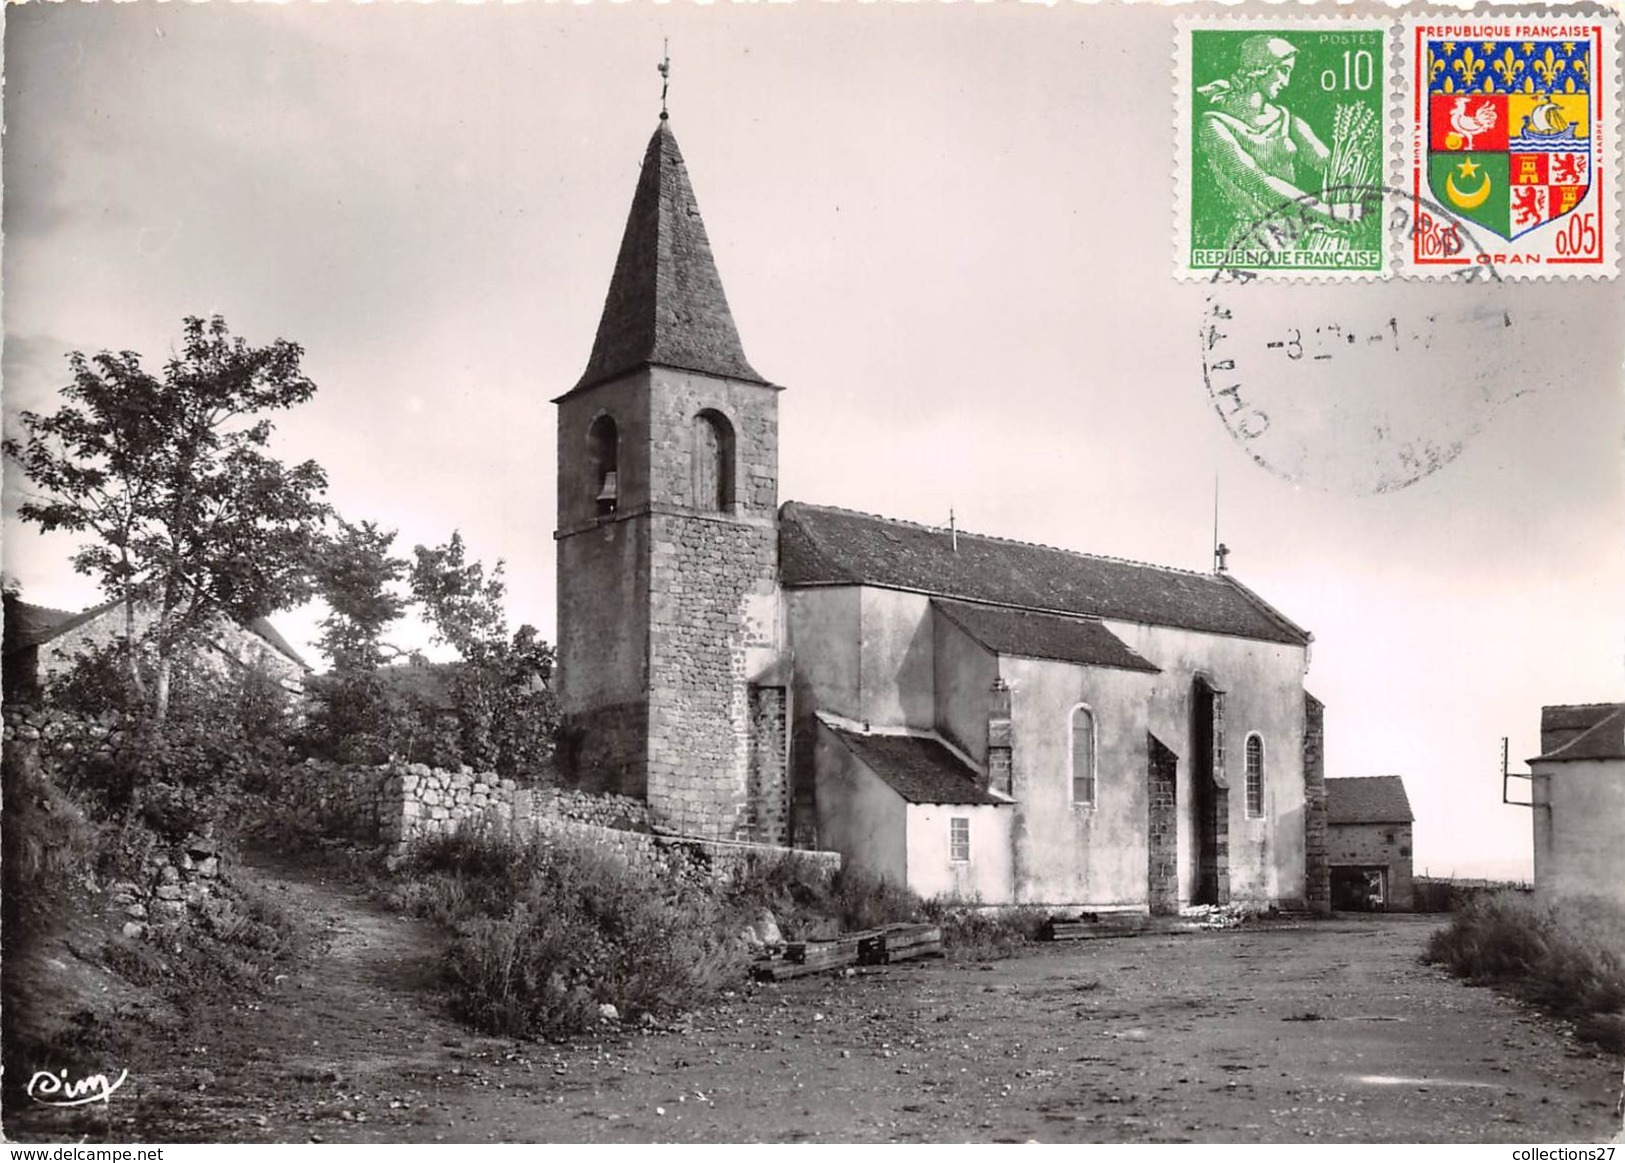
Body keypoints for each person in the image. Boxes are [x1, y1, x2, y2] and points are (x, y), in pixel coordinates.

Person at [1197, 36, 1363, 249]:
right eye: (1283, 70)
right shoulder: (1213, 125)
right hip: (1254, 241)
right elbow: (1258, 181)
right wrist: (1327, 212)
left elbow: (1330, 161)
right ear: (1260, 68)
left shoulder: (1286, 118)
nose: (1286, 82)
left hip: (1300, 235)